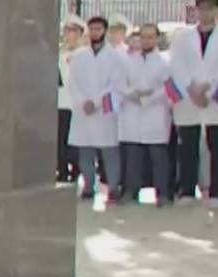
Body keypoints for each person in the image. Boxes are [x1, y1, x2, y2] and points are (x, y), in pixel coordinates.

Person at [168, 0, 218, 203]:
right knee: (187, 146)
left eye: (210, 8)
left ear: (217, 10)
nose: (205, 12)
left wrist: (207, 87)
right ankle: (187, 191)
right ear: (196, 10)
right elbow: (176, 64)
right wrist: (192, 88)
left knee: (217, 146)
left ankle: (217, 192)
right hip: (189, 95)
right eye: (201, 8)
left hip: (215, 94)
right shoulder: (182, 36)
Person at [68, 15, 124, 205]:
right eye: (92, 29)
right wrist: (84, 101)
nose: (95, 33)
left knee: (109, 151)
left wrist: (97, 102)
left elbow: (116, 83)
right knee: (86, 152)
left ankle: (113, 188)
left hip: (104, 110)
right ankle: (88, 187)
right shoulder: (78, 56)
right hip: (83, 110)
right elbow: (73, 82)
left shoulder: (116, 56)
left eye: (98, 29)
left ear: (105, 31)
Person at [118, 23, 174, 208]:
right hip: (132, 111)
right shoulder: (128, 61)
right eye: (143, 37)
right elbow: (119, 83)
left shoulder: (165, 61)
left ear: (157, 38)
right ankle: (130, 191)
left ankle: (163, 194)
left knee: (158, 157)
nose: (146, 40)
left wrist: (149, 98)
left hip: (155, 112)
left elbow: (169, 88)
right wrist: (132, 94)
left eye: (150, 37)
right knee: (133, 154)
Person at [57, 15, 84, 182]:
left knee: (76, 141)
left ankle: (76, 169)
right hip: (61, 102)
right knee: (61, 139)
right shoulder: (59, 53)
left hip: (78, 104)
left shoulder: (84, 54)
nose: (68, 35)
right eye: (66, 30)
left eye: (72, 31)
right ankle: (62, 169)